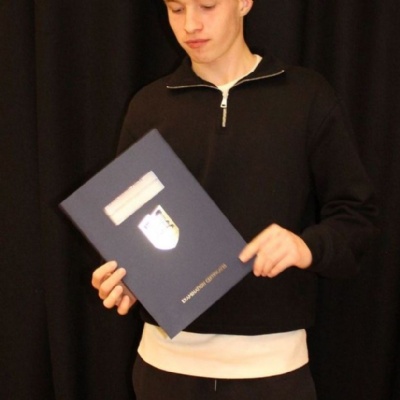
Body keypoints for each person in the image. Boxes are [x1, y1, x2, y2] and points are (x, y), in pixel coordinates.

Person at [91, 0, 378, 399]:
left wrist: (305, 246)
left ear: (244, 3)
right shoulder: (148, 107)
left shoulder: (306, 96)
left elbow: (357, 216)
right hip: (164, 369)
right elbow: (130, 224)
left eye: (207, 6)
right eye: (176, 9)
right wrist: (130, 279)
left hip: (273, 371)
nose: (191, 25)